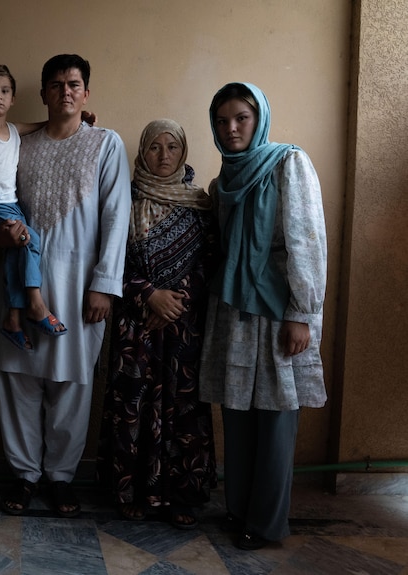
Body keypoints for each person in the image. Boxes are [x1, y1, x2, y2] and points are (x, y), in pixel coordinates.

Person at [0, 54, 131, 517]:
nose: (65, 92)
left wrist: (105, 285)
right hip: (17, 282)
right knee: (19, 378)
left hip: (77, 285)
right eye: (56, 85)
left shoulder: (105, 144)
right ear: (44, 94)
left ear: (85, 92)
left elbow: (116, 215)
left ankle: (61, 478)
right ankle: (25, 475)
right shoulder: (20, 144)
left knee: (72, 382)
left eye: (74, 84)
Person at [199, 82, 327, 550]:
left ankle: (267, 522)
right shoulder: (223, 180)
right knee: (237, 415)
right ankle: (239, 510)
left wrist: (302, 313)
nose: (231, 129)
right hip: (233, 310)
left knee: (275, 418)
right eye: (221, 120)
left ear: (260, 119)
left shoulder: (288, 163)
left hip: (278, 311)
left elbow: (307, 241)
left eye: (241, 118)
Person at [99, 119, 217, 530]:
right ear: (142, 152)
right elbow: (112, 257)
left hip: (184, 326)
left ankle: (182, 494)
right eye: (154, 147)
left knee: (182, 408)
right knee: (134, 404)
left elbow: (210, 263)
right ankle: (131, 491)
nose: (163, 155)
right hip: (137, 325)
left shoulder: (200, 204)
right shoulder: (123, 199)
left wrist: (177, 300)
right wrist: (149, 295)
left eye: (171, 147)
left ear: (183, 153)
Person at [0, 64, 67, 352]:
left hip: (12, 205)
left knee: (16, 251)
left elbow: (43, 125)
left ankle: (13, 319)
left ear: (13, 98)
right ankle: (35, 302)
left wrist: (81, 119)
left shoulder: (13, 129)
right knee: (29, 240)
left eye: (5, 91)